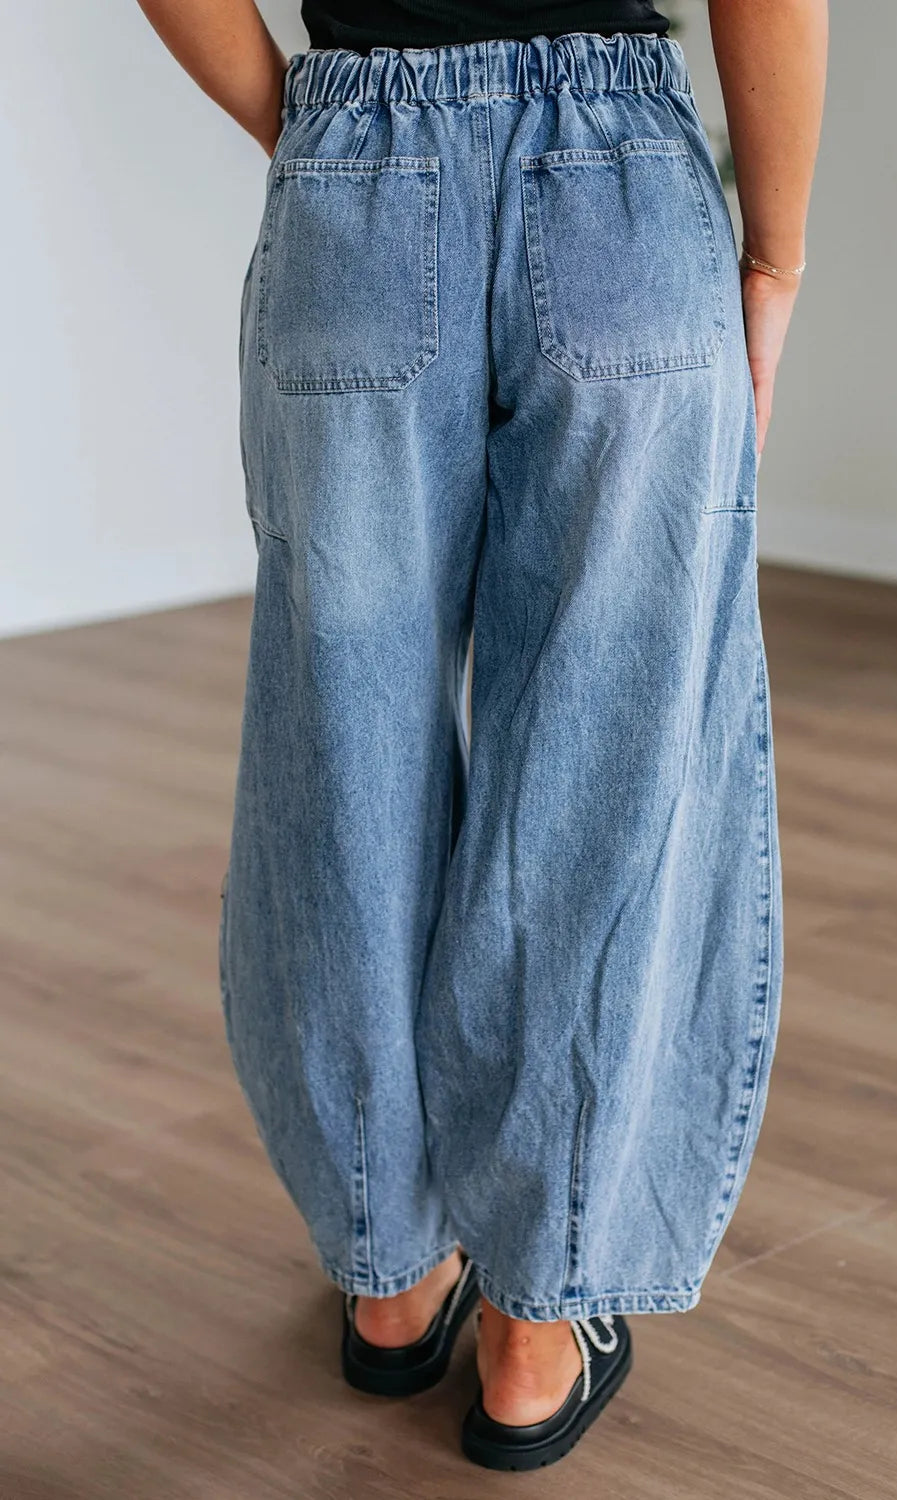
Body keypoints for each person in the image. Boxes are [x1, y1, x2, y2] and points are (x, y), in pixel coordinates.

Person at [138, 0, 826, 1472]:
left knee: (345, 752)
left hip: (359, 179)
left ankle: (391, 1280)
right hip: (623, 188)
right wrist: (776, 249)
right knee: (609, 755)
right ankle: (533, 1323)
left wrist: (311, 131)